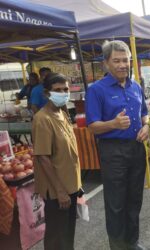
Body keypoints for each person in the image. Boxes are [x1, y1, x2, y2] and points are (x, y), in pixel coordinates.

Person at [85, 40, 149, 250]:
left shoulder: (136, 87)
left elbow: (145, 114)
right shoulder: (96, 90)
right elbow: (92, 126)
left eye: (125, 60)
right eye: (117, 61)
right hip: (113, 150)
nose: (122, 65)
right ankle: (118, 246)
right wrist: (113, 123)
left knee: (134, 199)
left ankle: (132, 242)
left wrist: (147, 127)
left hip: (136, 148)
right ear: (106, 63)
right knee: (116, 203)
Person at [32, 73, 81, 250]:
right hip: (56, 189)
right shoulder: (42, 119)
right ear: (47, 94)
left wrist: (76, 183)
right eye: (58, 90)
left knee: (68, 232)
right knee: (56, 235)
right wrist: (60, 191)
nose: (63, 93)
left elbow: (67, 153)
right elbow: (43, 157)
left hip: (70, 186)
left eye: (65, 89)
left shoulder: (62, 112)